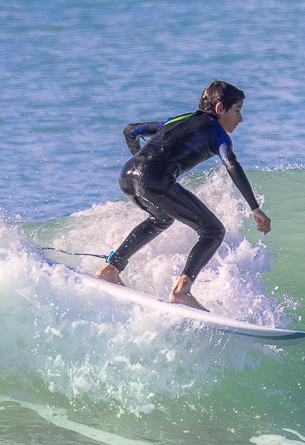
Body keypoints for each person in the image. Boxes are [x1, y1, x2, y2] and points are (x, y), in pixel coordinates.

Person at [94, 80, 271, 310]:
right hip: (155, 180)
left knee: (161, 219)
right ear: (220, 109)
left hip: (126, 176)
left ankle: (111, 269)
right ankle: (182, 291)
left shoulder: (178, 120)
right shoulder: (218, 133)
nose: (241, 119)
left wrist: (140, 160)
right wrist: (254, 207)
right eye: (237, 111)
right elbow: (231, 163)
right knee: (213, 231)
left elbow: (130, 130)